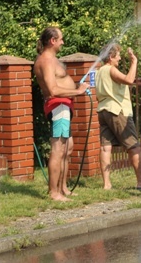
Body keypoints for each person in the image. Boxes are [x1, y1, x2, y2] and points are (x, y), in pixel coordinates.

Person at [34, 27, 90, 202]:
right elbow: (53, 90)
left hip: (64, 107)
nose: (63, 42)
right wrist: (79, 91)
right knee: (58, 149)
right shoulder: (46, 61)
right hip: (58, 107)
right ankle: (54, 192)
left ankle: (63, 188)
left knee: (68, 148)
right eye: (61, 39)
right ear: (52, 41)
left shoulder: (52, 59)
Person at [95, 43, 141, 190]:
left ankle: (106, 184)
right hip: (117, 111)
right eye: (118, 55)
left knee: (105, 148)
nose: (119, 58)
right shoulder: (111, 69)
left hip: (103, 110)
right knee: (134, 146)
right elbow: (129, 80)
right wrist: (134, 62)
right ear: (111, 56)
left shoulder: (99, 71)